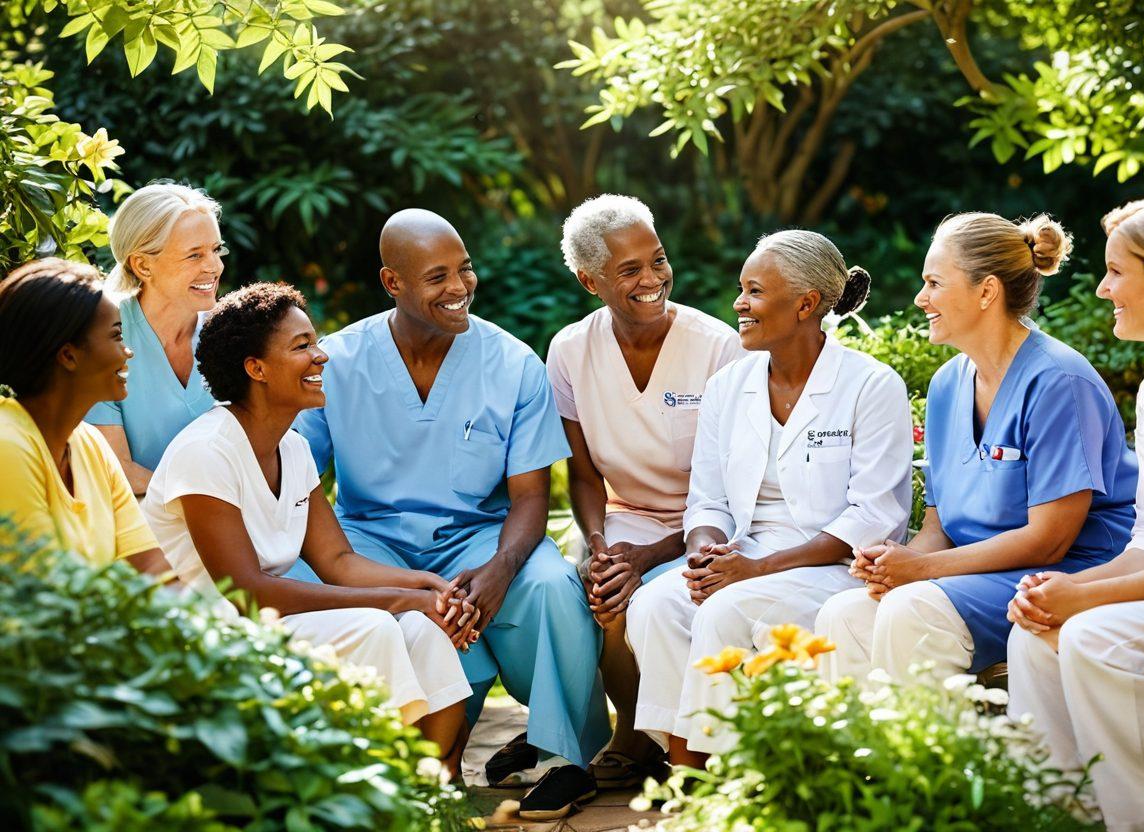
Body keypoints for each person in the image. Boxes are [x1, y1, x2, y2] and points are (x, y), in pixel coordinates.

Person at [293, 209, 608, 820]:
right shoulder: (337, 362)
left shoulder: (513, 364)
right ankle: (365, 754)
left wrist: (499, 569)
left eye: (464, 269)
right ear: (393, 283)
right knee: (303, 590)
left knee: (550, 585)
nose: (459, 287)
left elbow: (530, 497)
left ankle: (566, 760)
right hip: (368, 542)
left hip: (481, 538)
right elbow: (298, 475)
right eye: (437, 276)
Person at [141, 282, 474, 775]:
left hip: (264, 625)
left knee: (423, 630)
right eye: (302, 347)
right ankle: (380, 789)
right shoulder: (205, 451)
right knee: (377, 625)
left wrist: (429, 588)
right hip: (208, 635)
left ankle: (436, 790)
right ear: (255, 369)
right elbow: (246, 592)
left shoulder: (292, 448)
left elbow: (338, 562)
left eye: (315, 342)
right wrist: (396, 600)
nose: (321, 357)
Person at [626, 230, 913, 767]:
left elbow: (874, 516)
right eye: (742, 289)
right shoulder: (729, 385)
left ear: (806, 304)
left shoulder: (871, 385)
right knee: (655, 605)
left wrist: (756, 570)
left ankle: (698, 777)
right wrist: (707, 552)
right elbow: (707, 499)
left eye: (754, 291)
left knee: (724, 612)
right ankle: (701, 763)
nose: (739, 303)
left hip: (831, 562)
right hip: (744, 550)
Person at [817, 212, 1138, 684]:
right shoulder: (948, 385)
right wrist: (894, 562)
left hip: (1068, 572)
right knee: (841, 615)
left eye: (933, 283)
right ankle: (864, 759)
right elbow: (938, 525)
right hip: (971, 577)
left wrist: (924, 569)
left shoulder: (1058, 381)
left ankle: (933, 755)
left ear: (987, 291)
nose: (920, 298)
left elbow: (1050, 539)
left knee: (912, 611)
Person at [1007, 193, 1144, 832]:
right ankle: (1066, 813)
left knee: (1098, 637)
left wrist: (1089, 603)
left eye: (1117, 272)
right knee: (1037, 631)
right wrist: (1066, 588)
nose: (1102, 289)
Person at [546, 194, 744, 787]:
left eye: (656, 260)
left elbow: (733, 484)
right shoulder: (569, 350)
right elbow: (583, 475)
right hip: (625, 515)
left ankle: (689, 741)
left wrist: (653, 555)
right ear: (590, 281)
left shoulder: (718, 347)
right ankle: (633, 733)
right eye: (628, 270)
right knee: (604, 595)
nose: (652, 278)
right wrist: (601, 544)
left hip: (713, 518)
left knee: (664, 595)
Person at [0, 258, 165, 572]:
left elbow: (154, 568)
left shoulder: (91, 444)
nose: (127, 351)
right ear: (68, 355)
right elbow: (49, 589)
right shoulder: (7, 446)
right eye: (117, 335)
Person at [88, 182, 223, 495]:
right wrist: (205, 503)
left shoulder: (231, 330)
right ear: (143, 265)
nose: (214, 266)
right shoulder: (99, 339)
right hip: (137, 522)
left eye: (216, 250)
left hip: (232, 518)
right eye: (194, 256)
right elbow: (115, 470)